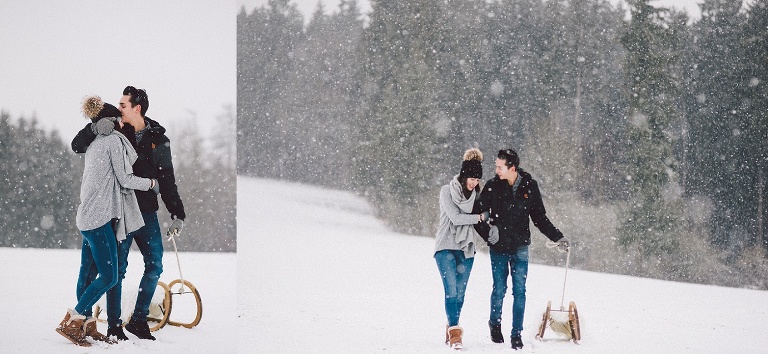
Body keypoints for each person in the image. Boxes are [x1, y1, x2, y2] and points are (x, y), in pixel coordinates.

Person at [71, 86, 186, 341]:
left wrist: (177, 213)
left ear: (137, 108)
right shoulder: (113, 130)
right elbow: (77, 145)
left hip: (147, 213)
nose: (118, 108)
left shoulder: (158, 139)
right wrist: (93, 128)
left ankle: (138, 320)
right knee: (117, 271)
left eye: (123, 105)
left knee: (155, 265)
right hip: (120, 212)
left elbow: (167, 179)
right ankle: (114, 326)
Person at [57, 96, 157, 347]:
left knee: (87, 274)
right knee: (110, 276)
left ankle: (87, 324)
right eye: (119, 119)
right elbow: (125, 179)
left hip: (87, 216)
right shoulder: (112, 140)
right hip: (99, 219)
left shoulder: (94, 143)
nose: (123, 122)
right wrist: (151, 183)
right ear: (112, 121)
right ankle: (73, 320)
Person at [474, 148, 568, 350]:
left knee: (520, 291)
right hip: (498, 247)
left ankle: (516, 334)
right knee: (499, 289)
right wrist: (488, 233)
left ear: (512, 168)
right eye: (496, 166)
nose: (496, 170)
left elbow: (539, 218)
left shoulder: (529, 186)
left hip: (520, 246)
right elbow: (478, 214)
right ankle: (495, 323)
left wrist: (558, 237)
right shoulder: (492, 186)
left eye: (500, 167)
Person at [434, 148, 489, 350]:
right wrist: (479, 217)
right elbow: (456, 218)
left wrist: (494, 236)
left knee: (460, 294)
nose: (474, 183)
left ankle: (452, 324)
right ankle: (456, 334)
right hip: (445, 246)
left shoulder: (477, 196)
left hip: (466, 247)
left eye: (477, 179)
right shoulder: (446, 191)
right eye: (472, 179)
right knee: (451, 290)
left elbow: (483, 222)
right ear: (464, 176)